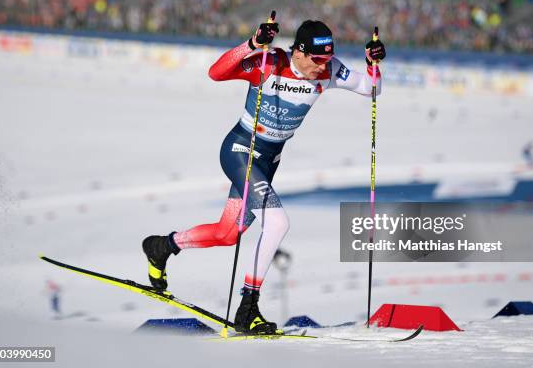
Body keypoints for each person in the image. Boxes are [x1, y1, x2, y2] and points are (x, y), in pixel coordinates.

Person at [141, 18, 385, 334]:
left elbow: (371, 89)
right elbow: (216, 73)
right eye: (316, 59)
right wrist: (252, 44)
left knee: (227, 234)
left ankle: (163, 246)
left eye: (327, 59)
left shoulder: (328, 69)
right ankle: (248, 308)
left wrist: (372, 64)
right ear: (299, 51)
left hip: (267, 161)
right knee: (277, 222)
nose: (322, 67)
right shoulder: (270, 61)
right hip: (241, 150)